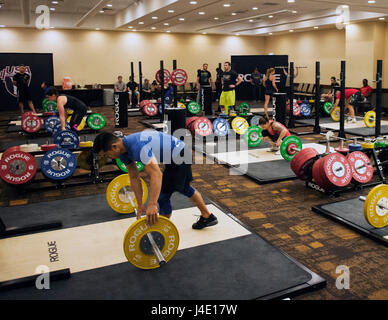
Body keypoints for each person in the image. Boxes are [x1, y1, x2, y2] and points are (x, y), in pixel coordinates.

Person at [93, 131, 218, 229]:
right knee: (183, 188)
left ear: (114, 147)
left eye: (106, 154)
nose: (108, 158)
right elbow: (134, 177)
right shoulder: (124, 153)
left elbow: (156, 174)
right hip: (175, 155)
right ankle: (207, 216)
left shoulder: (137, 146)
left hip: (180, 154)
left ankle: (162, 229)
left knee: (163, 196)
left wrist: (152, 205)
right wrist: (140, 203)